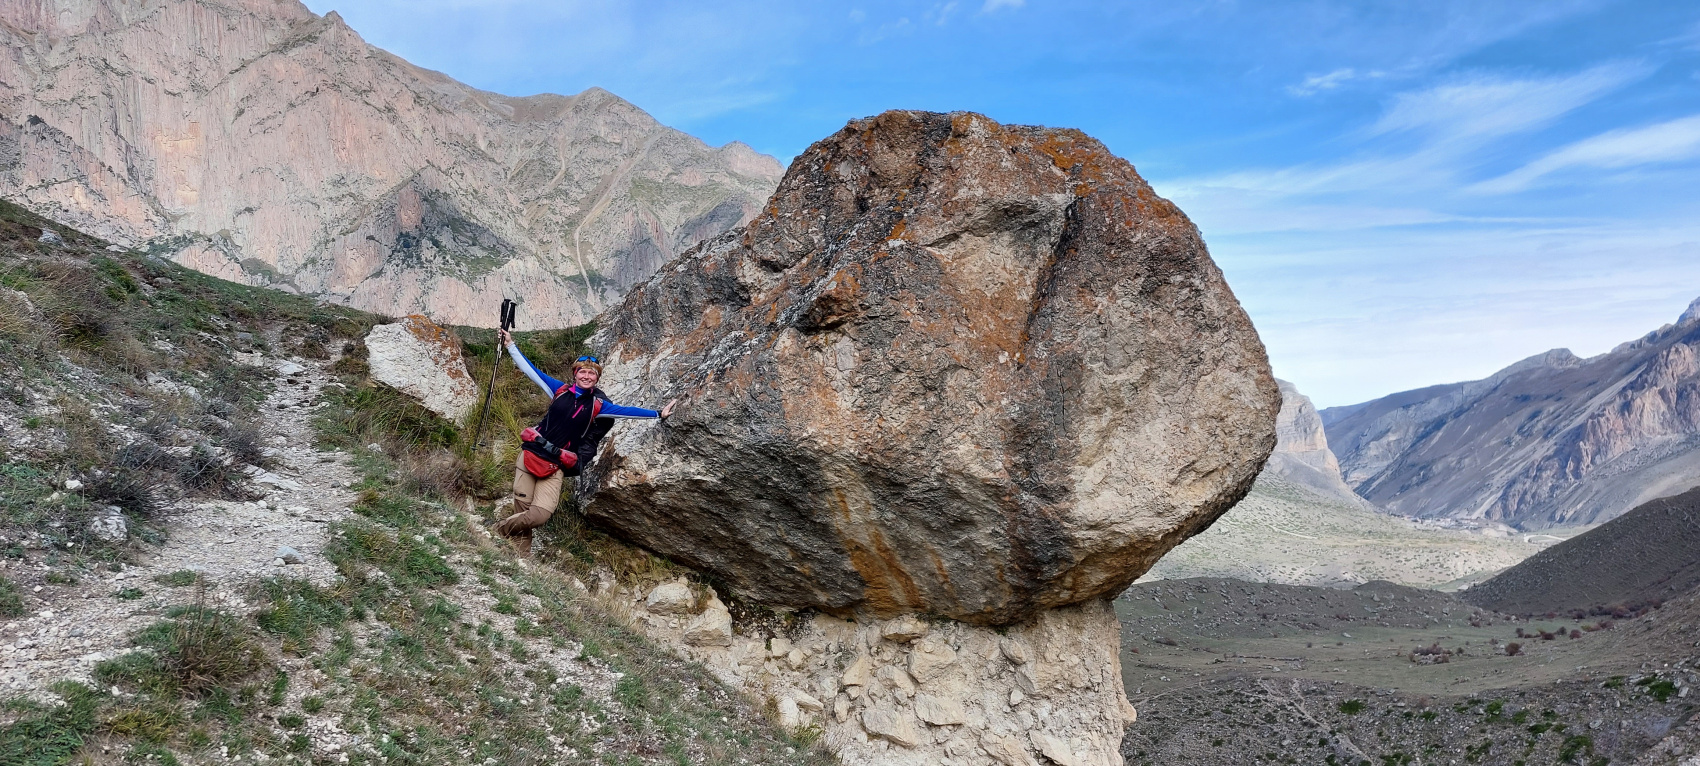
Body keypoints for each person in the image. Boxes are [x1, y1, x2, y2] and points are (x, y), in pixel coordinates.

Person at [491, 328, 676, 557]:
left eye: (592, 374)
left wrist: (658, 414)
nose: (587, 376)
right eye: (582, 372)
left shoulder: (599, 406)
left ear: (597, 378)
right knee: (523, 512)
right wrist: (510, 345)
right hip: (530, 456)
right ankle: (519, 560)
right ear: (575, 374)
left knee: (538, 515)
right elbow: (530, 370)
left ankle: (495, 530)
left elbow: (627, 411)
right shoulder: (558, 390)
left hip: (555, 466)